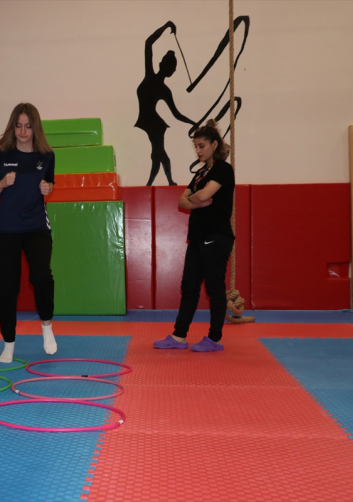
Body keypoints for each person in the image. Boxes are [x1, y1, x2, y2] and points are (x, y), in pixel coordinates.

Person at [0, 103, 57, 363]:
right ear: (12, 127)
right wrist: (2, 183)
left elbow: (50, 183)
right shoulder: (1, 155)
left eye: (27, 126)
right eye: (18, 126)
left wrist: (48, 188)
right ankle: (8, 342)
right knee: (6, 287)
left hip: (36, 227)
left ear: (35, 128)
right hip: (7, 229)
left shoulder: (46, 155)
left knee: (41, 276)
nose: (23, 131)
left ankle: (47, 326)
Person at [154, 119, 235, 352]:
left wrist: (196, 199)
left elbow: (201, 196)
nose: (198, 151)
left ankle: (215, 339)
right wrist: (196, 200)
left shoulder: (223, 169)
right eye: (196, 147)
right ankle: (179, 336)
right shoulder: (201, 173)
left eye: (201, 146)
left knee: (214, 287)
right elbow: (183, 201)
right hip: (197, 237)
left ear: (214, 144)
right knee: (189, 286)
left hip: (216, 236)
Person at [135, 22, 196, 186]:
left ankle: (161, 182)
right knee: (157, 154)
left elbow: (176, 114)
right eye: (172, 68)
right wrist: (166, 26)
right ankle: (163, 182)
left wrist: (193, 123)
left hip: (154, 124)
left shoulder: (163, 89)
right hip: (150, 122)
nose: (173, 71)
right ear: (165, 67)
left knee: (158, 154)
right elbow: (148, 43)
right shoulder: (153, 79)